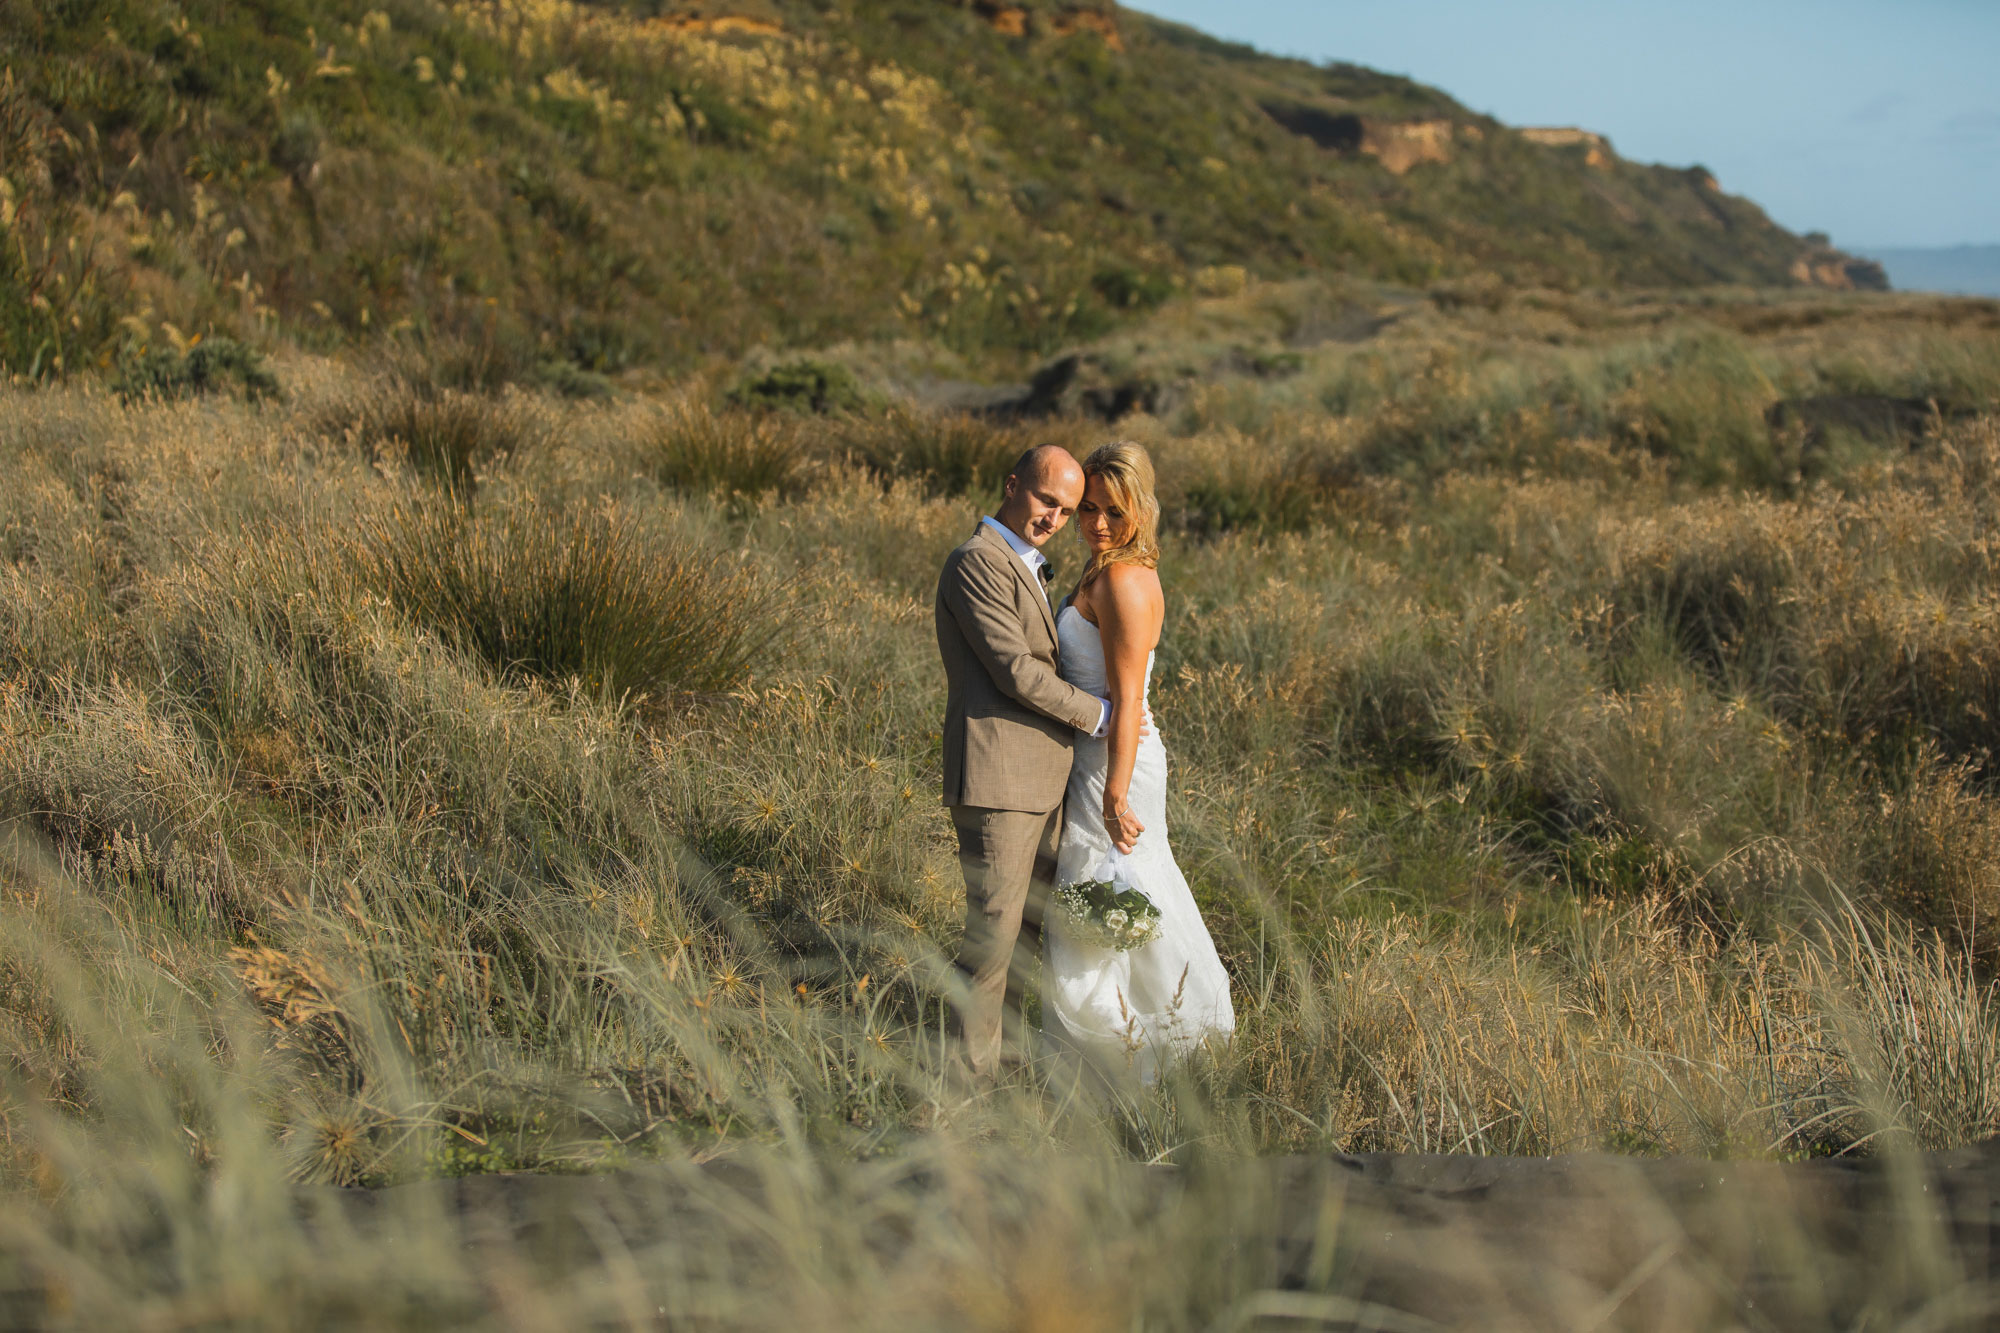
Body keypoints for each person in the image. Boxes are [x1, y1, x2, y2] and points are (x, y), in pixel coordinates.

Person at [1044, 441, 1234, 1084]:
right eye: (1088, 509)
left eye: (1113, 512)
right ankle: (1139, 1053)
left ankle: (1145, 1060)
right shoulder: (1106, 567)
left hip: (1114, 762)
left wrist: (1115, 796)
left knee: (1112, 896)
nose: (1096, 524)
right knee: (1113, 899)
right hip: (1100, 755)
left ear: (1141, 509)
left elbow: (1127, 701)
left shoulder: (1124, 579)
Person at [934, 444, 1115, 1078]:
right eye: (1046, 500)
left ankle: (1004, 1068)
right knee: (991, 937)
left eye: (1066, 510)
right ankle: (960, 1089)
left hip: (1044, 781)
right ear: (1012, 485)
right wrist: (1100, 714)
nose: (1054, 518)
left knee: (1028, 937)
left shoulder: (1028, 565)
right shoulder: (977, 562)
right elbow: (1014, 670)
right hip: (999, 780)